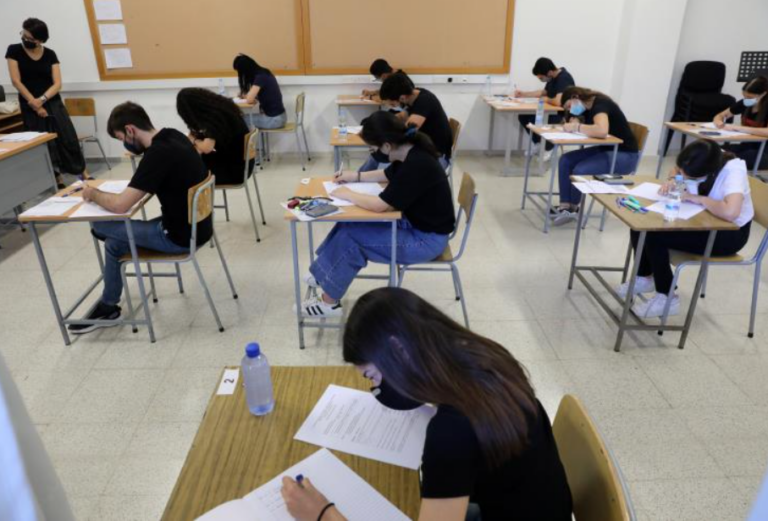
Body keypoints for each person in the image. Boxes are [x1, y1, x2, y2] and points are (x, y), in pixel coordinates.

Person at [281, 287, 574, 521]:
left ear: (398, 350)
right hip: (541, 505)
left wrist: (322, 514)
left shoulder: (451, 431)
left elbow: (455, 441)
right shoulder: (482, 353)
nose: (375, 387)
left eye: (372, 375)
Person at [67, 102, 211, 334]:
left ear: (130, 130)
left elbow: (120, 205)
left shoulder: (157, 155)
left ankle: (108, 306)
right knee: (114, 245)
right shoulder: (173, 135)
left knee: (99, 224)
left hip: (178, 237)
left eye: (121, 138)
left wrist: (92, 193)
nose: (124, 144)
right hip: (199, 227)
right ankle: (108, 306)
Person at [298, 112, 455, 318]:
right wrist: (355, 176)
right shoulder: (409, 152)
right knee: (349, 225)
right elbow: (387, 174)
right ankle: (325, 274)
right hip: (415, 225)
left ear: (387, 146)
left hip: (426, 241)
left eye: (372, 148)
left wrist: (348, 194)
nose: (372, 153)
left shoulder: (417, 164)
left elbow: (381, 206)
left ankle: (329, 303)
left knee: (353, 239)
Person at [618, 140, 753, 318]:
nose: (682, 174)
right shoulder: (702, 154)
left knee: (654, 236)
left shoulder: (733, 170)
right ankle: (644, 277)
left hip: (729, 233)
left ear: (706, 171)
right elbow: (675, 170)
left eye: (687, 175)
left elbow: (731, 212)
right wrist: (674, 181)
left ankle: (667, 297)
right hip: (701, 219)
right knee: (641, 224)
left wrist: (698, 199)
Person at [5, 18, 86, 187]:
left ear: (40, 40)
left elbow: (57, 83)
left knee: (67, 136)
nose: (25, 39)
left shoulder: (50, 54)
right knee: (43, 141)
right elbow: (16, 81)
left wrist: (42, 100)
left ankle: (82, 171)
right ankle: (56, 178)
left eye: (29, 38)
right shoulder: (14, 51)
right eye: (23, 35)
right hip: (29, 104)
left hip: (52, 101)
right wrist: (34, 103)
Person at [553, 86, 640, 225]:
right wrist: (577, 122)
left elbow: (601, 131)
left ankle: (573, 208)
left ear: (575, 97)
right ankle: (565, 206)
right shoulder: (587, 108)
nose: (570, 110)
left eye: (569, 106)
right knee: (566, 160)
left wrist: (576, 127)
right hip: (607, 149)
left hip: (624, 155)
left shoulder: (600, 105)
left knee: (580, 170)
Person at [176, 87, 254, 186]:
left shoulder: (215, 118)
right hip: (243, 164)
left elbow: (207, 148)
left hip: (235, 172)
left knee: (185, 173)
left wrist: (194, 140)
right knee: (190, 165)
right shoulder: (223, 107)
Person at [379, 72, 453, 169]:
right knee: (379, 157)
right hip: (424, 150)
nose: (392, 107)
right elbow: (402, 116)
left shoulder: (424, 101)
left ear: (402, 98)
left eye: (393, 104)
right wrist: (381, 121)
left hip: (436, 157)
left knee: (383, 161)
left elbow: (408, 133)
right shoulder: (414, 95)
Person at [513, 57, 575, 157]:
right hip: (550, 111)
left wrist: (546, 99)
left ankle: (548, 147)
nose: (541, 80)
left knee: (534, 120)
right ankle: (539, 144)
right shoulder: (552, 77)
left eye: (541, 78)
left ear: (549, 72)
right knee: (523, 116)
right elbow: (543, 92)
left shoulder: (564, 78)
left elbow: (559, 101)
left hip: (561, 115)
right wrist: (524, 94)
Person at [713, 75, 768, 170]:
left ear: (763, 94)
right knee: (715, 151)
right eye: (744, 96)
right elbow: (720, 115)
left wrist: (738, 128)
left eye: (749, 97)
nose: (745, 99)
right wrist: (718, 122)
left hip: (764, 152)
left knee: (733, 159)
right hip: (746, 146)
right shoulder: (745, 103)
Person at [233, 54, 286, 129]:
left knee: (238, 120)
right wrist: (247, 96)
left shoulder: (260, 77)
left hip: (274, 120)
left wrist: (247, 97)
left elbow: (249, 100)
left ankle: (249, 137)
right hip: (279, 117)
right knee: (242, 119)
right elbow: (255, 96)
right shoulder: (264, 73)